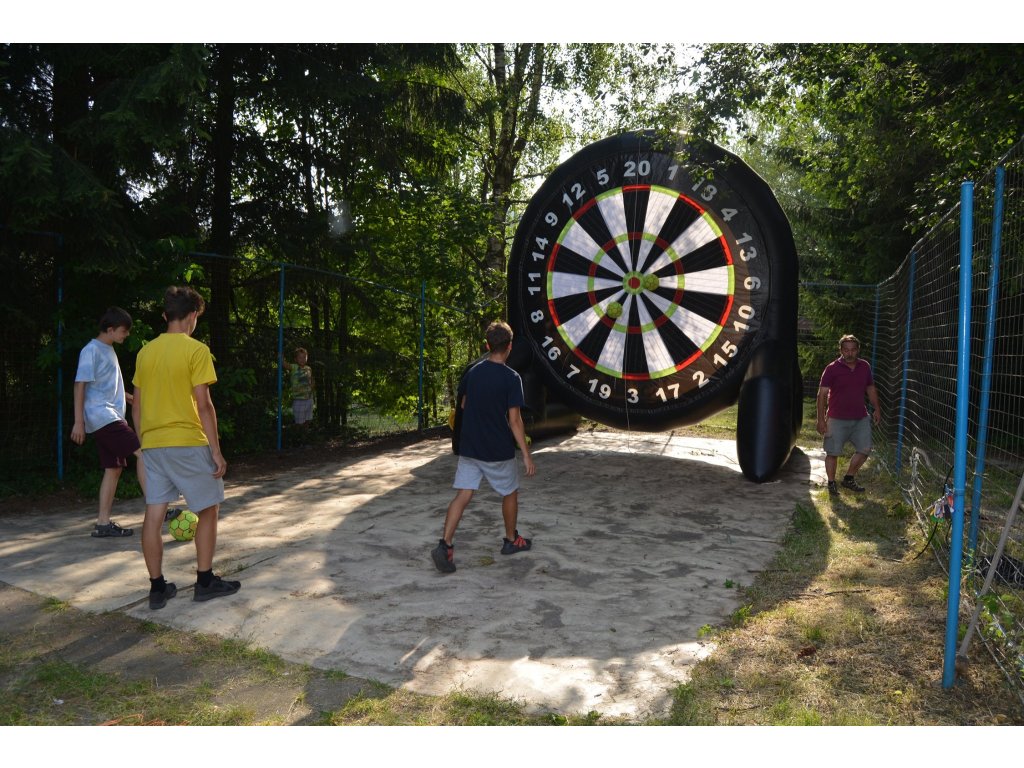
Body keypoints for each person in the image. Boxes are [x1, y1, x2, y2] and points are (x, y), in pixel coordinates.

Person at [132, 286, 238, 610]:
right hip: (188, 442)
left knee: (154, 514)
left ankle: (157, 588)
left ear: (166, 316)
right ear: (192, 316)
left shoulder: (145, 353)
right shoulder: (196, 350)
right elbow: (204, 405)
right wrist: (216, 451)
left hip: (153, 445)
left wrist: (144, 442)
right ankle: (204, 581)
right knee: (208, 508)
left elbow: (137, 405)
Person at [431, 320, 536, 574]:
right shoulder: (512, 378)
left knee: (463, 494)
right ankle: (511, 540)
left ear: (488, 345)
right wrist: (526, 454)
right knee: (510, 492)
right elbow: (515, 421)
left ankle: (445, 545)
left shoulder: (473, 372)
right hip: (497, 450)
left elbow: (464, 404)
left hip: (470, 447)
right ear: (510, 347)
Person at [71, 307, 147, 538]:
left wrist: (128, 397)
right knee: (145, 453)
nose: (127, 335)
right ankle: (158, 507)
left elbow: (103, 386)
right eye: (124, 331)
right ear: (111, 329)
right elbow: (80, 385)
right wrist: (78, 422)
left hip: (109, 415)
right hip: (103, 417)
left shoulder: (109, 349)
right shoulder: (91, 350)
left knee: (113, 468)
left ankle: (103, 524)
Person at [816, 334, 882, 496]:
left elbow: (870, 388)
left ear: (858, 350)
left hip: (860, 417)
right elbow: (821, 395)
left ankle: (849, 478)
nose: (849, 353)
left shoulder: (864, 366)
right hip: (836, 418)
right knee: (832, 452)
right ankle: (831, 483)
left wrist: (877, 408)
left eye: (853, 350)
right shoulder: (831, 369)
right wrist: (821, 420)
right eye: (846, 350)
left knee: (865, 449)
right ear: (841, 350)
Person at [285, 347, 315, 426]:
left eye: (304, 357)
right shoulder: (294, 367)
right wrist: (281, 359)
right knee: (299, 422)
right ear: (296, 359)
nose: (302, 359)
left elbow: (311, 378)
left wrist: (312, 386)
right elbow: (286, 365)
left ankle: (305, 432)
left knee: (308, 419)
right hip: (299, 399)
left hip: (309, 398)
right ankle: (298, 432)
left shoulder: (308, 368)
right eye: (300, 357)